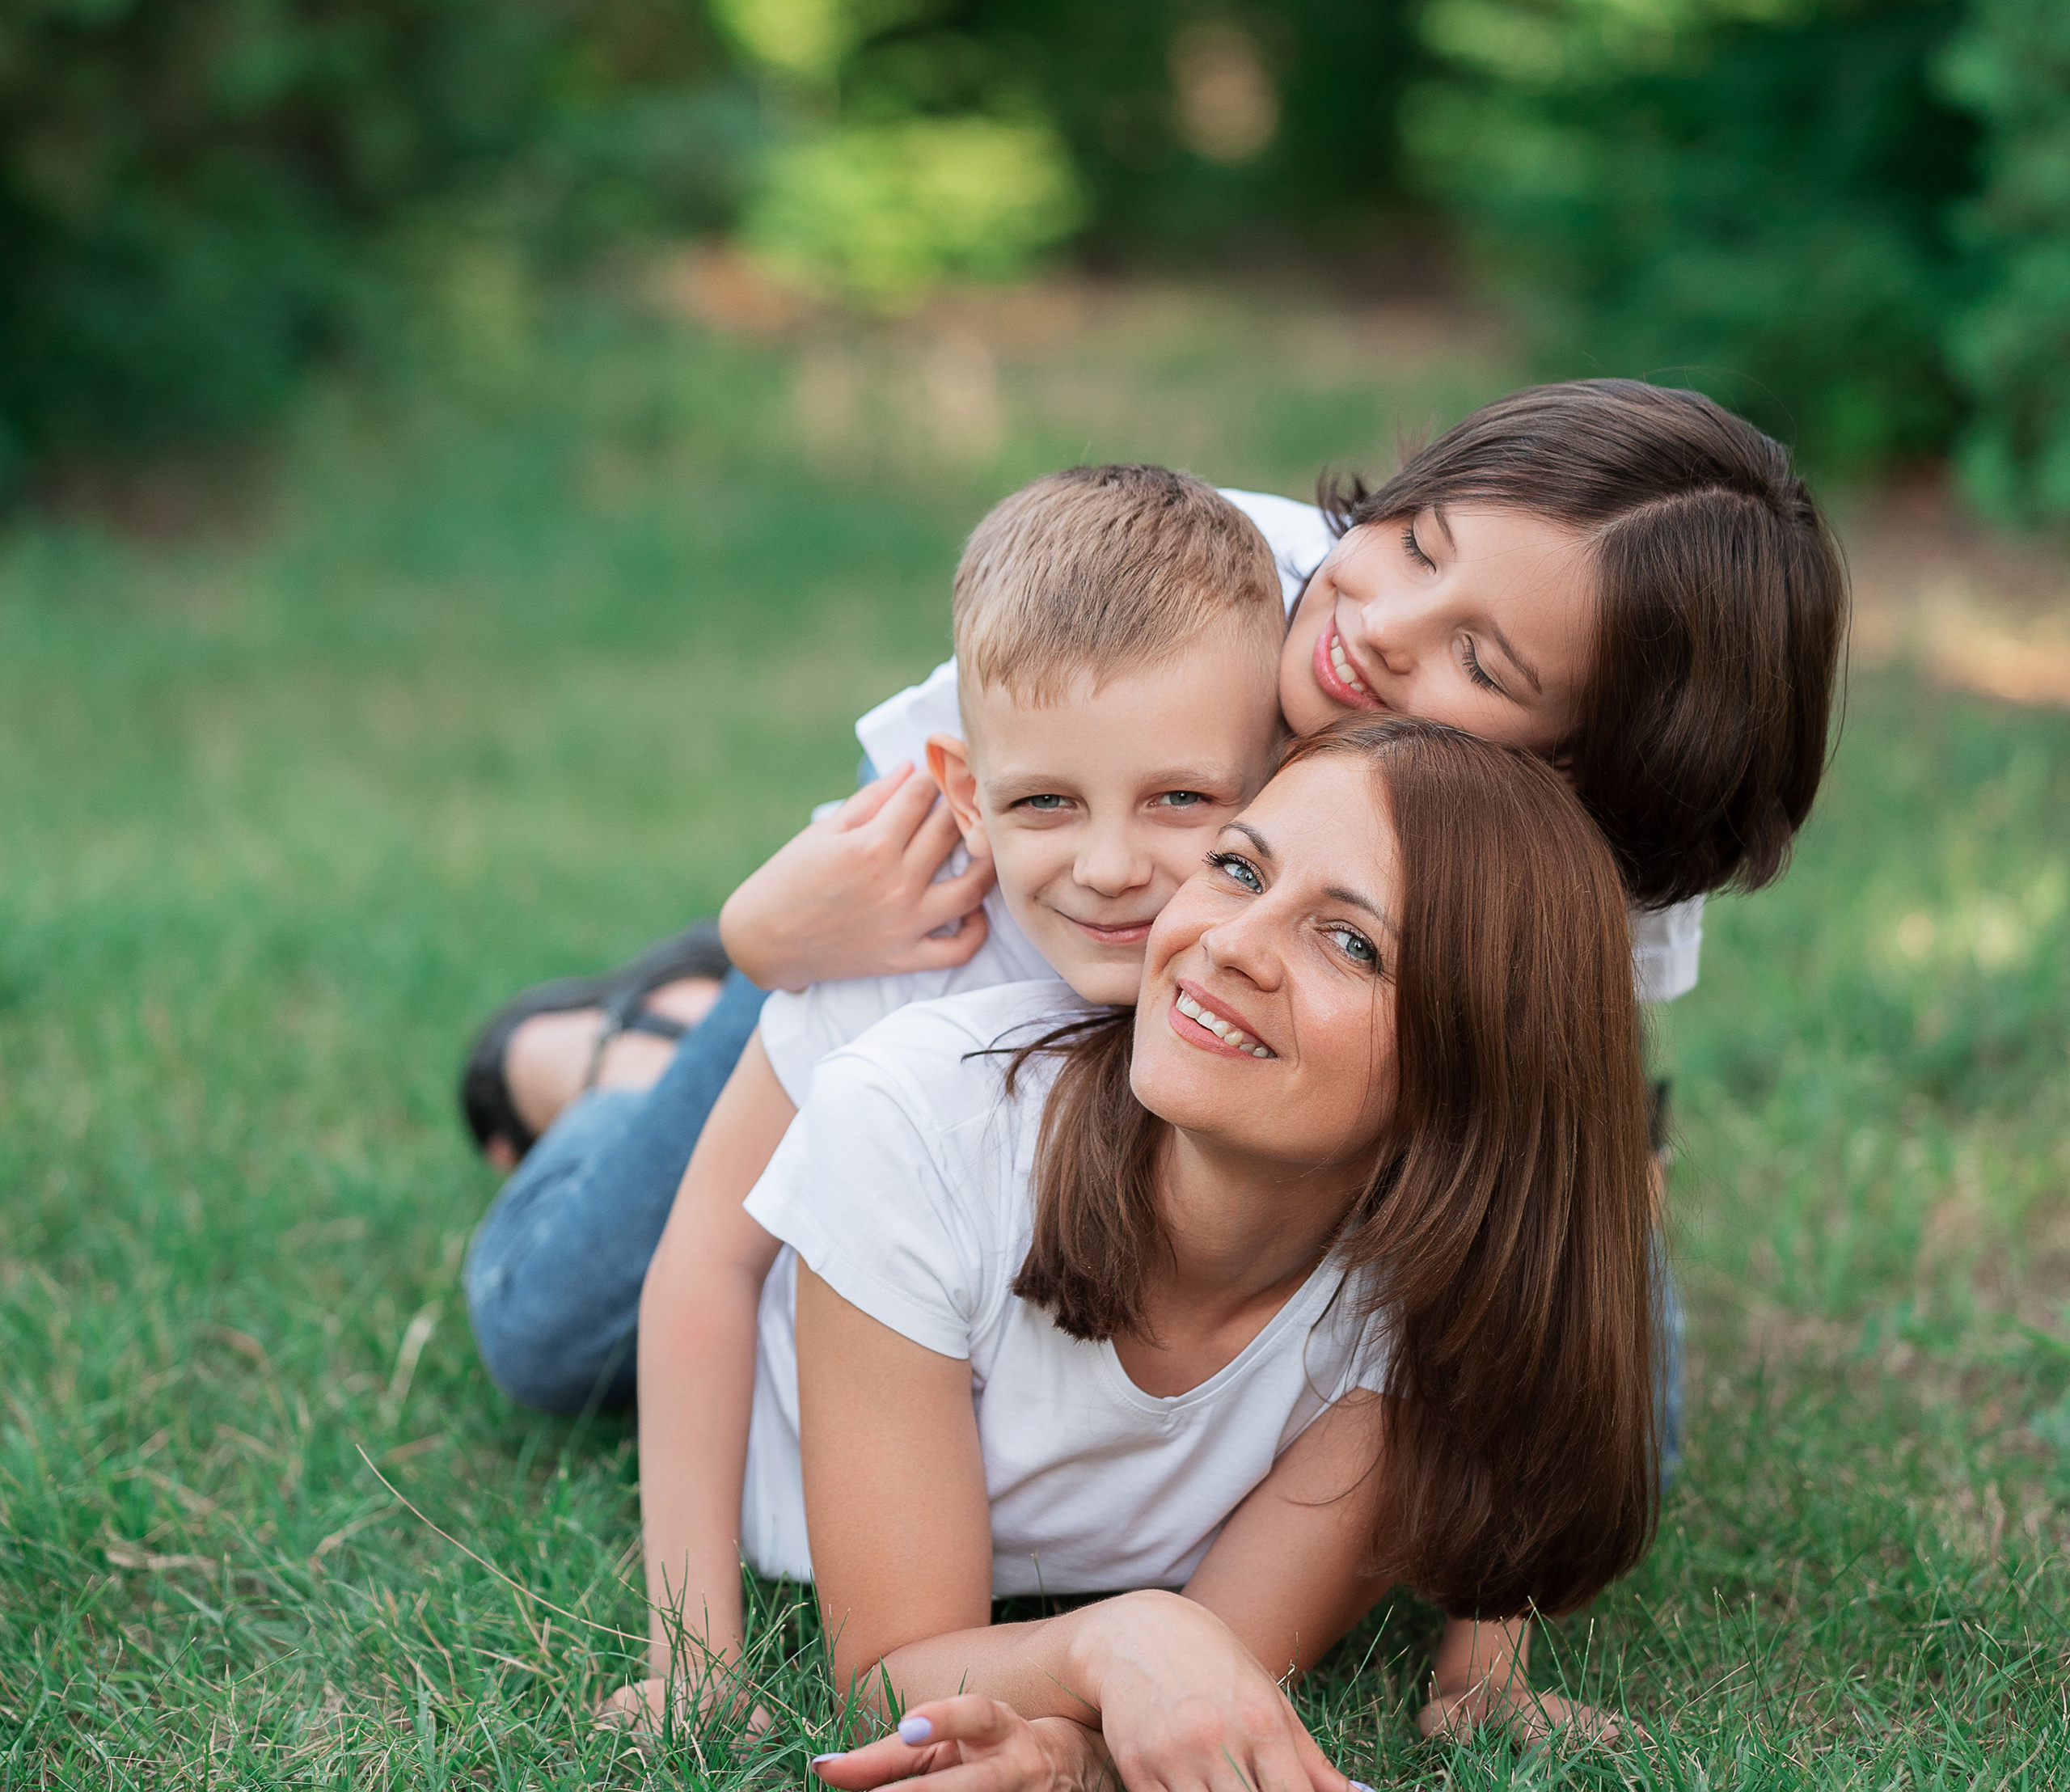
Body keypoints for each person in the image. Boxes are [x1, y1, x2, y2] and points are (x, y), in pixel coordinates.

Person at [460, 380, 1847, 1418]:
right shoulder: (1192, 587)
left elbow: (1586, 1110)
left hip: (1258, 1032)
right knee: (561, 1336)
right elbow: (917, 863)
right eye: (1417, 548)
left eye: (1481, 666)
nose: (1377, 631)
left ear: (1582, 772)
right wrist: (766, 944)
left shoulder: (1591, 866)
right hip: (923, 940)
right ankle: (610, 1058)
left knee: (1628, 1438)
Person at [615, 719, 1664, 1757]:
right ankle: (605, 1035)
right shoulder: (912, 1126)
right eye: (1239, 870)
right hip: (823, 1212)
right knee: (578, 1225)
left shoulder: (1412, 1305)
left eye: (1351, 943)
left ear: (1478, 1070)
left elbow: (1222, 1667)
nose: (1232, 945)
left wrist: (1075, 1754)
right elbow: (891, 1674)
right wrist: (1121, 1639)